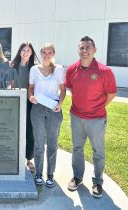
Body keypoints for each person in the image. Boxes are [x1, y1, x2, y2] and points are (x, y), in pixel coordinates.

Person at [66, 36, 117, 198]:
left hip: (97, 119)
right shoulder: (71, 69)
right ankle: (77, 177)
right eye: (82, 47)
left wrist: (98, 106)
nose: (85, 50)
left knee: (98, 152)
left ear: (95, 50)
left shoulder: (105, 71)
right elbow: (73, 90)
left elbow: (111, 93)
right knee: (77, 149)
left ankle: (98, 181)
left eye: (88, 47)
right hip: (76, 117)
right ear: (78, 50)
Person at [28, 43, 66, 188]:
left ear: (53, 53)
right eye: (44, 52)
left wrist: (60, 104)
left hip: (53, 109)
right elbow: (31, 89)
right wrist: (31, 97)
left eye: (49, 52)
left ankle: (50, 174)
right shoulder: (34, 69)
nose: (46, 55)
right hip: (37, 108)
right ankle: (38, 173)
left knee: (52, 143)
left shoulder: (59, 69)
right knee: (38, 143)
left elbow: (63, 90)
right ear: (41, 53)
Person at [10, 42, 38, 173]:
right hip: (15, 103)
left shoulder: (35, 68)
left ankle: (28, 158)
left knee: (29, 131)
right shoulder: (12, 66)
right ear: (19, 52)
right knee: (14, 130)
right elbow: (8, 84)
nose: (25, 52)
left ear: (31, 53)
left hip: (30, 103)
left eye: (28, 50)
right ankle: (14, 156)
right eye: (23, 50)